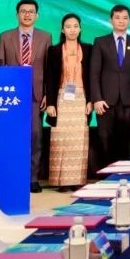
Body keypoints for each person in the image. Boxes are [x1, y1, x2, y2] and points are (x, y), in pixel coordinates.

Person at [0, 0, 51, 193]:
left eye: (31, 11)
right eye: (23, 11)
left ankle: (32, 178)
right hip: (11, 95)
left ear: (37, 15)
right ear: (17, 14)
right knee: (12, 136)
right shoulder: (5, 36)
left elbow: (49, 69)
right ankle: (14, 177)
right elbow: (0, 67)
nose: (27, 15)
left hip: (36, 95)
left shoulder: (46, 37)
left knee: (35, 136)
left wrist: (47, 94)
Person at [43, 13, 92, 191]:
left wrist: (91, 100)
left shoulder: (88, 49)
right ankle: (61, 181)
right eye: (68, 26)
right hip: (61, 97)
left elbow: (92, 77)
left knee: (79, 140)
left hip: (81, 98)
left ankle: (77, 179)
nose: (72, 30)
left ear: (80, 29)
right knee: (60, 138)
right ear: (62, 29)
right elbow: (50, 77)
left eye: (75, 26)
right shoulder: (54, 50)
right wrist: (50, 103)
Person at [89, 4, 130, 167]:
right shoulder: (100, 42)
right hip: (105, 101)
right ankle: (107, 175)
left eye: (125, 18)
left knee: (127, 140)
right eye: (117, 17)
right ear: (111, 20)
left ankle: (125, 174)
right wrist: (97, 99)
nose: (121, 21)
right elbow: (94, 73)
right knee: (105, 140)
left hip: (128, 100)